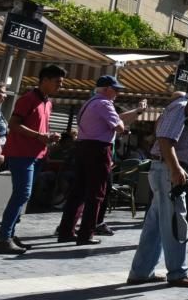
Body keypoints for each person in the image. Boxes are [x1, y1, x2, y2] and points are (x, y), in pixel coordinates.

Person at [128, 76, 188, 287]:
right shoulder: (184, 107)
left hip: (164, 168)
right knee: (176, 221)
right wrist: (176, 169)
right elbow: (165, 139)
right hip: (169, 170)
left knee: (155, 225)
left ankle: (141, 270)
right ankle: (177, 272)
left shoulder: (180, 106)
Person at [58, 75, 147, 246]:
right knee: (97, 193)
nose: (118, 93)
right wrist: (123, 128)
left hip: (84, 147)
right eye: (116, 90)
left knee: (78, 192)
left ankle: (66, 231)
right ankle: (86, 233)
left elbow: (115, 119)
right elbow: (119, 126)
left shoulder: (91, 103)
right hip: (98, 149)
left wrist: (136, 112)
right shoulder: (105, 104)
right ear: (106, 89)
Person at [0, 65, 66, 254]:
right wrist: (38, 136)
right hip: (21, 154)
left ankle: (9, 234)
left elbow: (39, 130)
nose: (60, 86)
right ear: (45, 80)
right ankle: (3, 237)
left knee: (23, 196)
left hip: (37, 155)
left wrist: (49, 136)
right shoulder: (28, 99)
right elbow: (13, 124)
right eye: (57, 82)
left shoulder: (48, 102)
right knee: (22, 194)